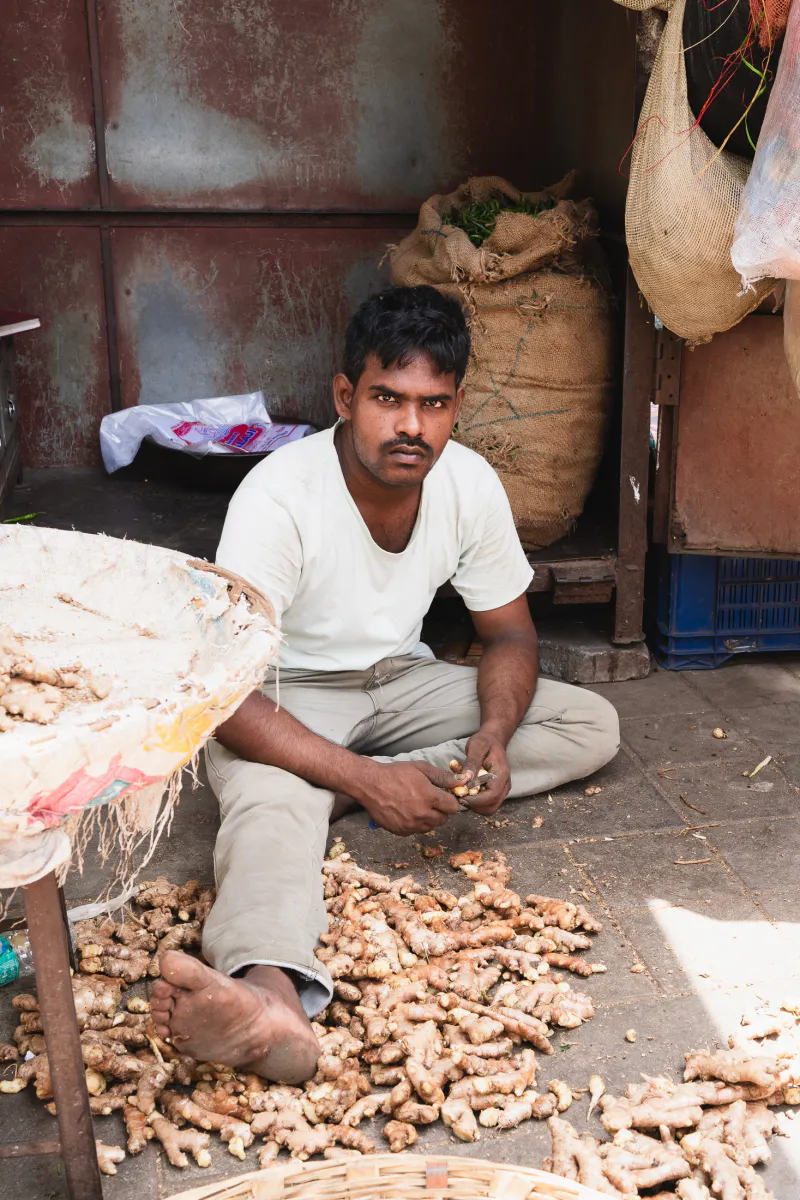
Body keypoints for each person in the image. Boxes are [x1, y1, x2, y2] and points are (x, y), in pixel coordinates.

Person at [151, 285, 619, 1083]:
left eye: (433, 405)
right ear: (346, 396)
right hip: (281, 694)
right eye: (388, 399)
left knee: (588, 724)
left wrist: (491, 737)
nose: (411, 427)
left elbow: (508, 633)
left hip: (403, 681)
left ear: (457, 406)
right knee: (268, 802)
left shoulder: (468, 484)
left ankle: (326, 793)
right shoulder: (278, 497)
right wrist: (370, 777)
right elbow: (222, 693)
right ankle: (270, 998)